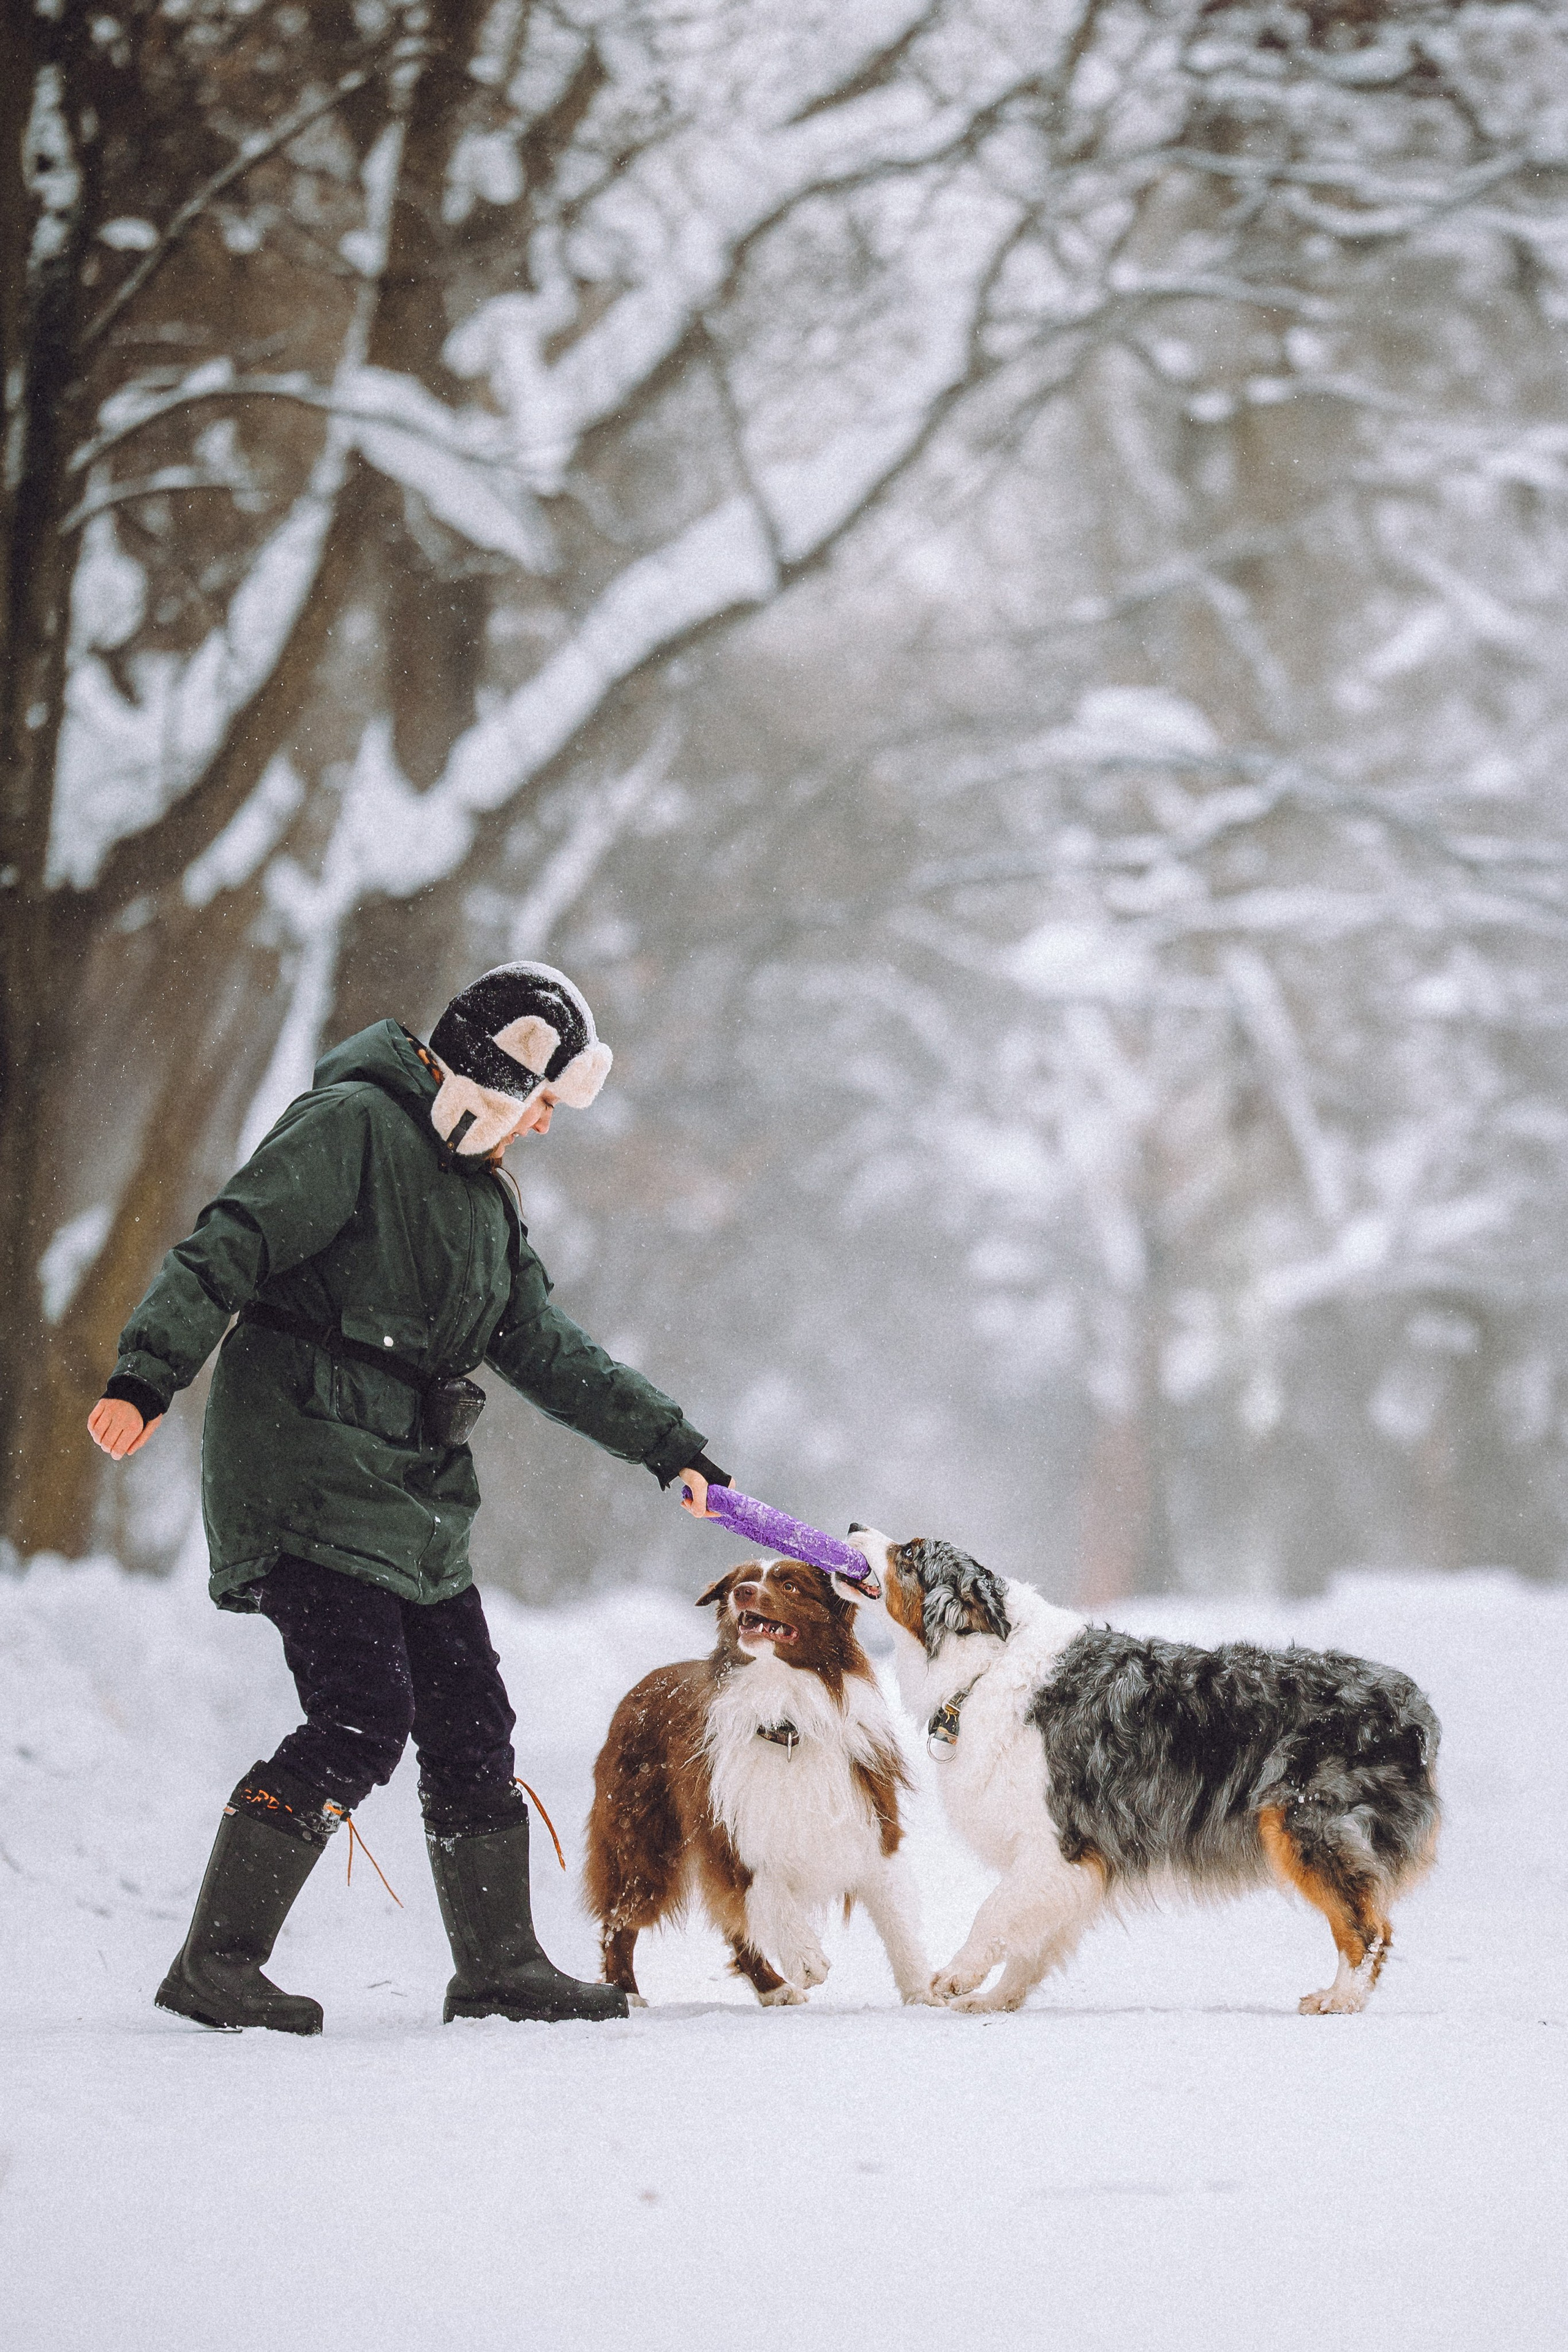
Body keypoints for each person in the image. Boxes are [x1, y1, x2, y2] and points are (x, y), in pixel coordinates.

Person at [88, 962, 729, 2035]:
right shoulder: (352, 1127)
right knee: (361, 1713)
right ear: (487, 1075)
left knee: (471, 1715)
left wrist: (668, 1447)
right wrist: (147, 1372)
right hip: (303, 1463)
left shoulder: (484, 1198)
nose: (540, 1129)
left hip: (412, 1489)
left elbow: (539, 1345)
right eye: (536, 1103)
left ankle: (499, 1968)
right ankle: (217, 1962)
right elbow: (232, 1240)